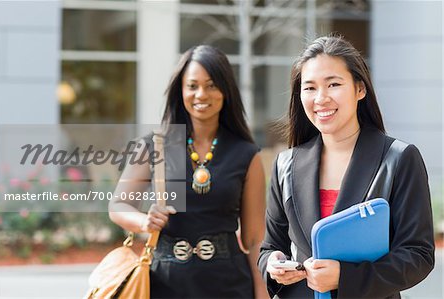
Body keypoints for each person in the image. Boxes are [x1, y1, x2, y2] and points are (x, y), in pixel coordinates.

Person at [258, 35, 435, 298]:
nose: (321, 98)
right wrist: (273, 264)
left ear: (360, 89)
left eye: (334, 84)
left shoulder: (399, 158)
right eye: (309, 88)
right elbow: (270, 246)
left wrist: (345, 276)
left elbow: (418, 255)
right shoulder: (286, 164)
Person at [109, 45, 269, 299]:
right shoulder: (155, 146)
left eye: (212, 85)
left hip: (229, 283)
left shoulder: (246, 154)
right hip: (164, 283)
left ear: (226, 90)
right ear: (180, 90)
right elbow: (117, 205)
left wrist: (263, 294)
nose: (201, 94)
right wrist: (144, 222)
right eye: (192, 86)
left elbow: (253, 239)